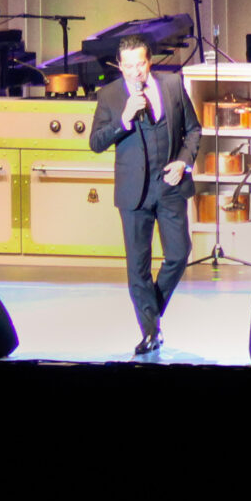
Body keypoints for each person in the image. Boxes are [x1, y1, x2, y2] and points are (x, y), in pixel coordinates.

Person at [88, 37, 201, 355]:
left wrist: (184, 161)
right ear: (119, 66)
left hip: (169, 185)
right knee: (138, 267)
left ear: (149, 61)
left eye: (140, 64)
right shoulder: (110, 95)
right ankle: (151, 332)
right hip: (133, 192)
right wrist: (123, 120)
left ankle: (151, 314)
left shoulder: (173, 85)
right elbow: (95, 142)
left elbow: (193, 130)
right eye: (128, 66)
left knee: (178, 254)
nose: (135, 71)